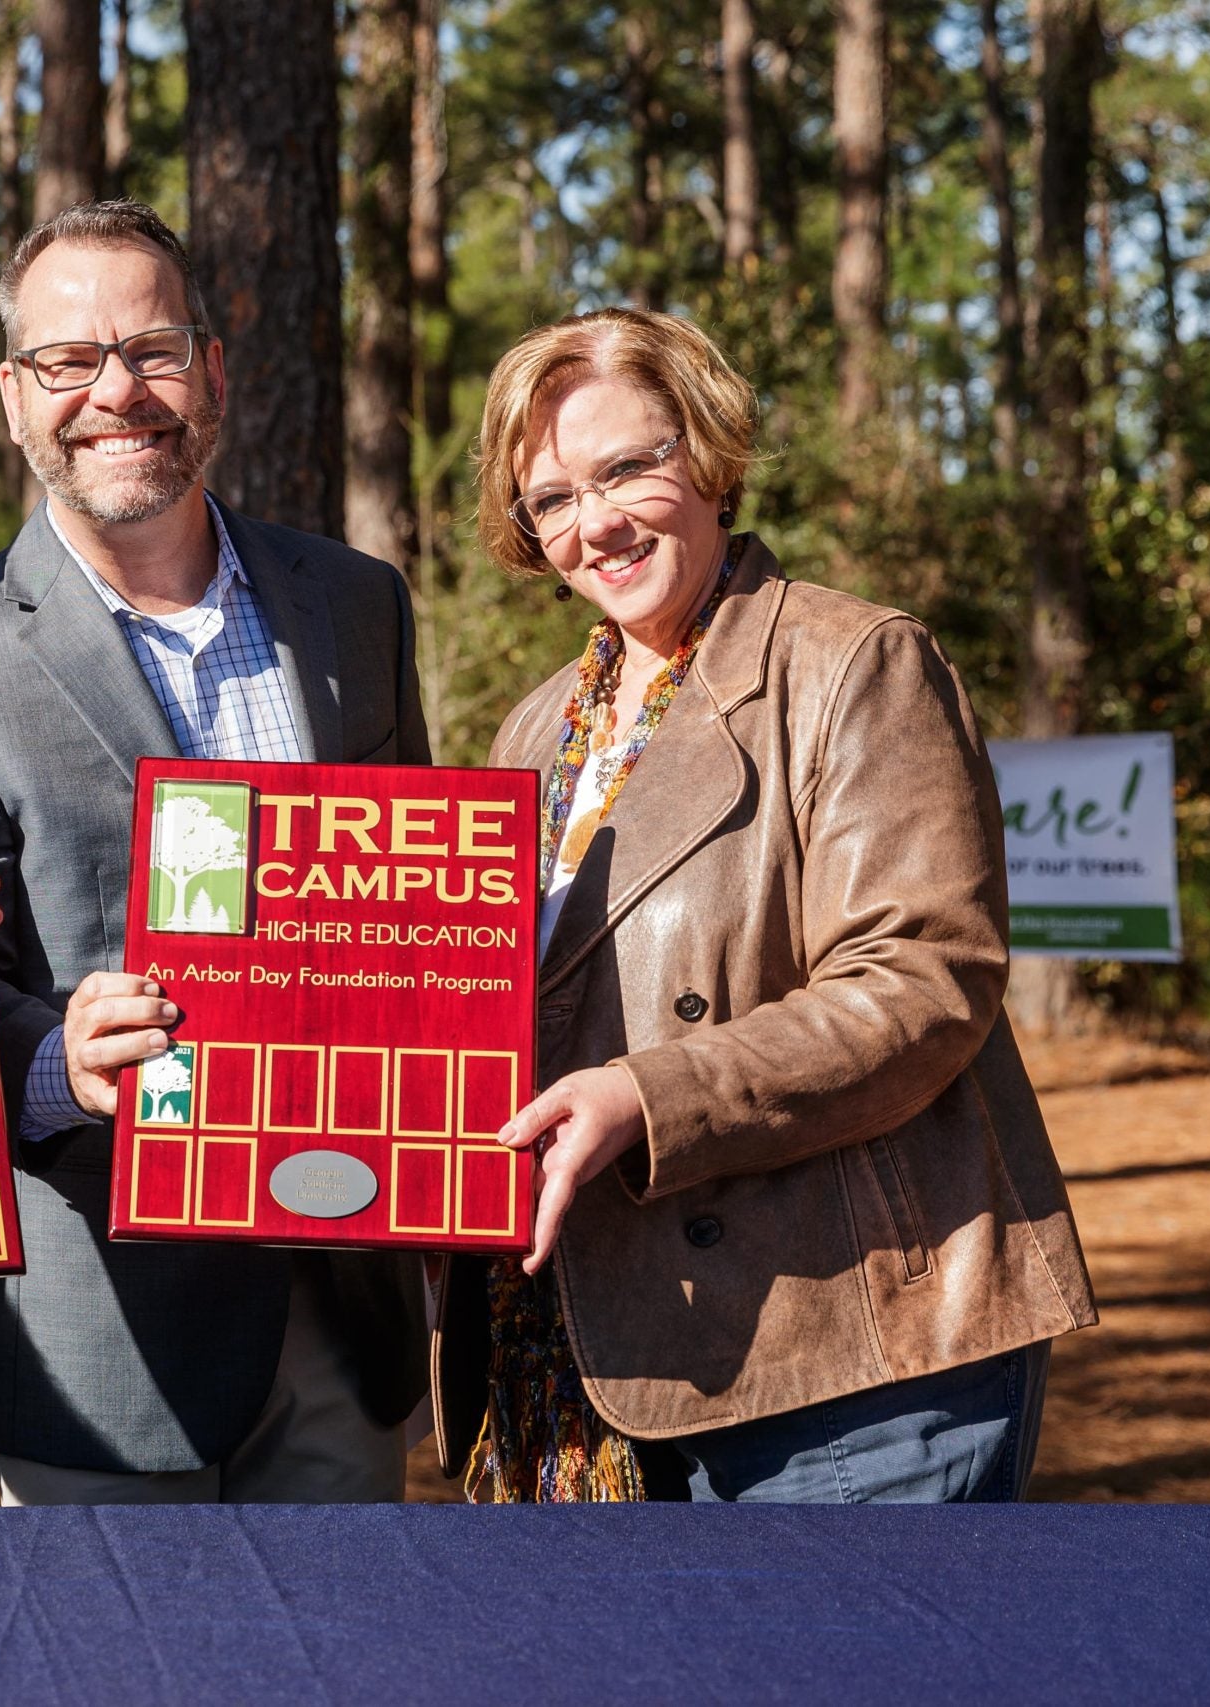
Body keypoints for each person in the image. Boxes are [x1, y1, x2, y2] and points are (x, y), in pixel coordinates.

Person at [436, 306, 1097, 1502]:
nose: (597, 522)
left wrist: (647, 1096)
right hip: (605, 1349)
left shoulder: (854, 663)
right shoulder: (535, 730)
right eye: (552, 498)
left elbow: (922, 981)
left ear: (708, 452)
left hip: (849, 1359)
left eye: (627, 468)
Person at [0, 200, 430, 1505]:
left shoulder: (356, 605)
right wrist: (56, 1064)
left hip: (344, 1293)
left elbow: (412, 910)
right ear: (15, 396)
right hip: (99, 1327)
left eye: (153, 350)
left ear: (211, 372)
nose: (116, 391)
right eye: (68, 359)